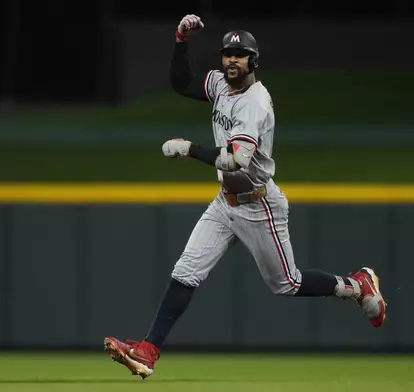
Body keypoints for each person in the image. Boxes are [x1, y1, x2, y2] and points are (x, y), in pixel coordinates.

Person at [103, 14, 387, 380]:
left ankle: (355, 285)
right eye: (227, 54)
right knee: (186, 271)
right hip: (225, 203)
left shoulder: (255, 102)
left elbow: (236, 160)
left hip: (259, 203)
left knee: (287, 284)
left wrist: (190, 149)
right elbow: (181, 83)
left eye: (240, 55)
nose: (232, 60)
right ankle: (148, 350)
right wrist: (180, 42)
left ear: (253, 61)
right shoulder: (221, 84)